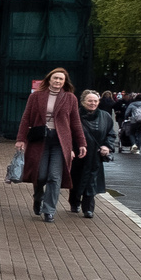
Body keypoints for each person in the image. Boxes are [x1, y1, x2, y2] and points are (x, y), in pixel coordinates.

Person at [17, 66, 87, 222]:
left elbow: (75, 123)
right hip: (40, 140)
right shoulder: (36, 97)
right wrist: (21, 139)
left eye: (61, 79)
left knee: (54, 177)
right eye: (55, 78)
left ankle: (49, 210)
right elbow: (26, 118)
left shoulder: (70, 98)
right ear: (49, 79)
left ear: (64, 82)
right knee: (40, 175)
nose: (58, 81)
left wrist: (81, 143)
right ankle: (38, 197)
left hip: (60, 142)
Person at [73, 88, 117, 217]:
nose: (93, 103)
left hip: (95, 156)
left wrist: (107, 146)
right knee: (76, 180)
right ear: (82, 102)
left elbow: (111, 134)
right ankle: (74, 201)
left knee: (91, 181)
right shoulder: (75, 115)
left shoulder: (106, 116)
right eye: (90, 101)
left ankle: (88, 208)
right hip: (78, 155)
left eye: (95, 101)